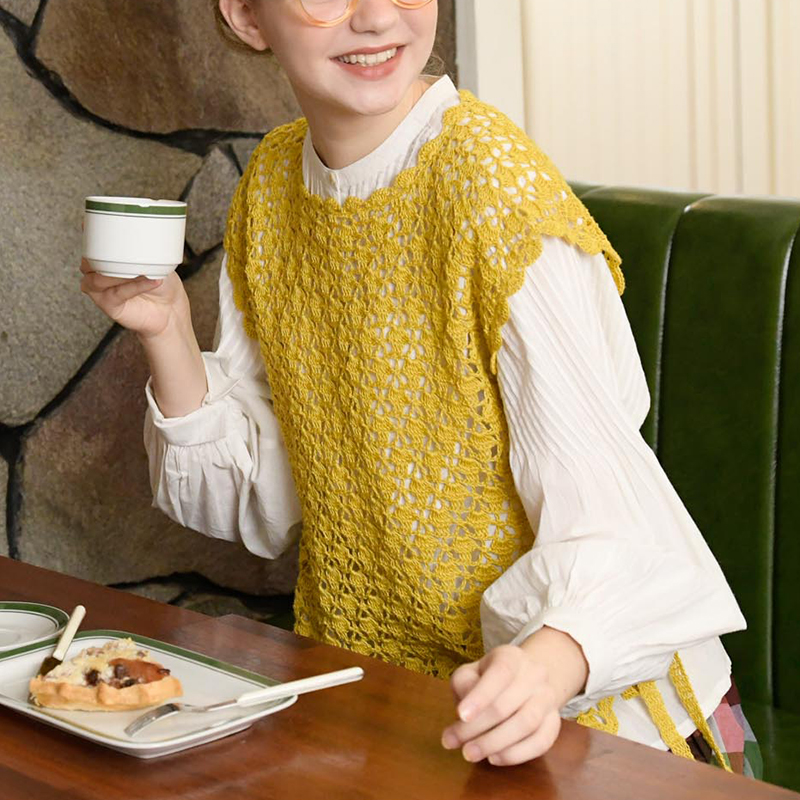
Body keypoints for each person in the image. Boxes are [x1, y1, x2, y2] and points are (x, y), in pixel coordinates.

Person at [80, 0, 761, 776]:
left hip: (604, 725)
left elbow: (621, 516)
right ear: (245, 15)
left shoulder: (493, 188)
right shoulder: (271, 187)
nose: (378, 17)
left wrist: (545, 667)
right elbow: (268, 499)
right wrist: (167, 328)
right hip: (391, 707)